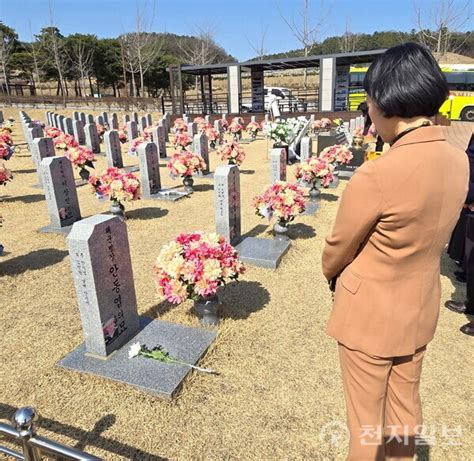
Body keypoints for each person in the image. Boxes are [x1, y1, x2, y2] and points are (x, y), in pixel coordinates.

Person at [321, 42, 468, 460]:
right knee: (404, 412)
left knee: (365, 427)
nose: (368, 112)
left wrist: (332, 275)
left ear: (385, 101)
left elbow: (337, 249)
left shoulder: (379, 173)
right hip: (419, 307)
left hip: (370, 314)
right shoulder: (457, 160)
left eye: (369, 101)